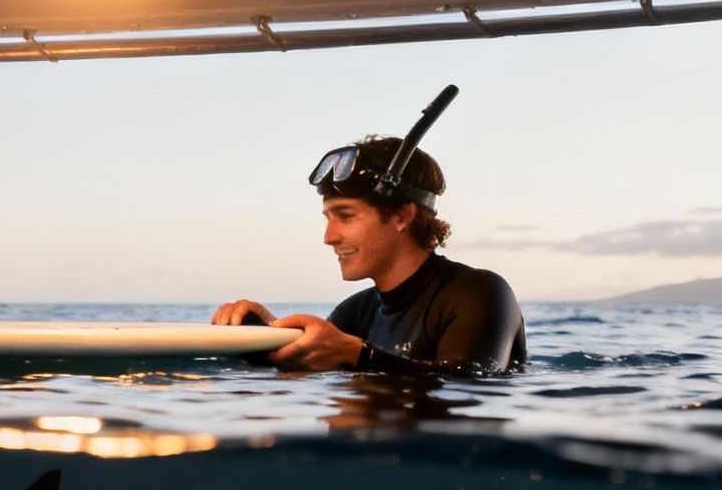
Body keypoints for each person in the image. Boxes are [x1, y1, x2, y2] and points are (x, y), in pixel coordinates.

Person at [211, 135, 525, 375]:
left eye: (345, 216)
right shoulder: (354, 314)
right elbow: (318, 363)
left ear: (403, 215)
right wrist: (263, 338)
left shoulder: (479, 293)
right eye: (327, 218)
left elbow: (473, 382)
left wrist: (358, 356)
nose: (329, 237)